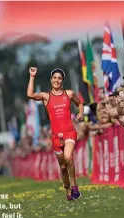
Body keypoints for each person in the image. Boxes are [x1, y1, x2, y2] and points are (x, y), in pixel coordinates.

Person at [27, 67, 84, 201]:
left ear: (62, 80)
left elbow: (79, 103)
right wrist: (32, 76)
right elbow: (30, 95)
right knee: (63, 167)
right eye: (54, 78)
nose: (56, 80)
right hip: (55, 136)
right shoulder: (46, 97)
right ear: (51, 79)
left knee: (68, 157)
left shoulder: (69, 94)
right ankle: (67, 188)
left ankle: (75, 186)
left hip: (69, 132)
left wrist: (80, 112)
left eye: (59, 78)